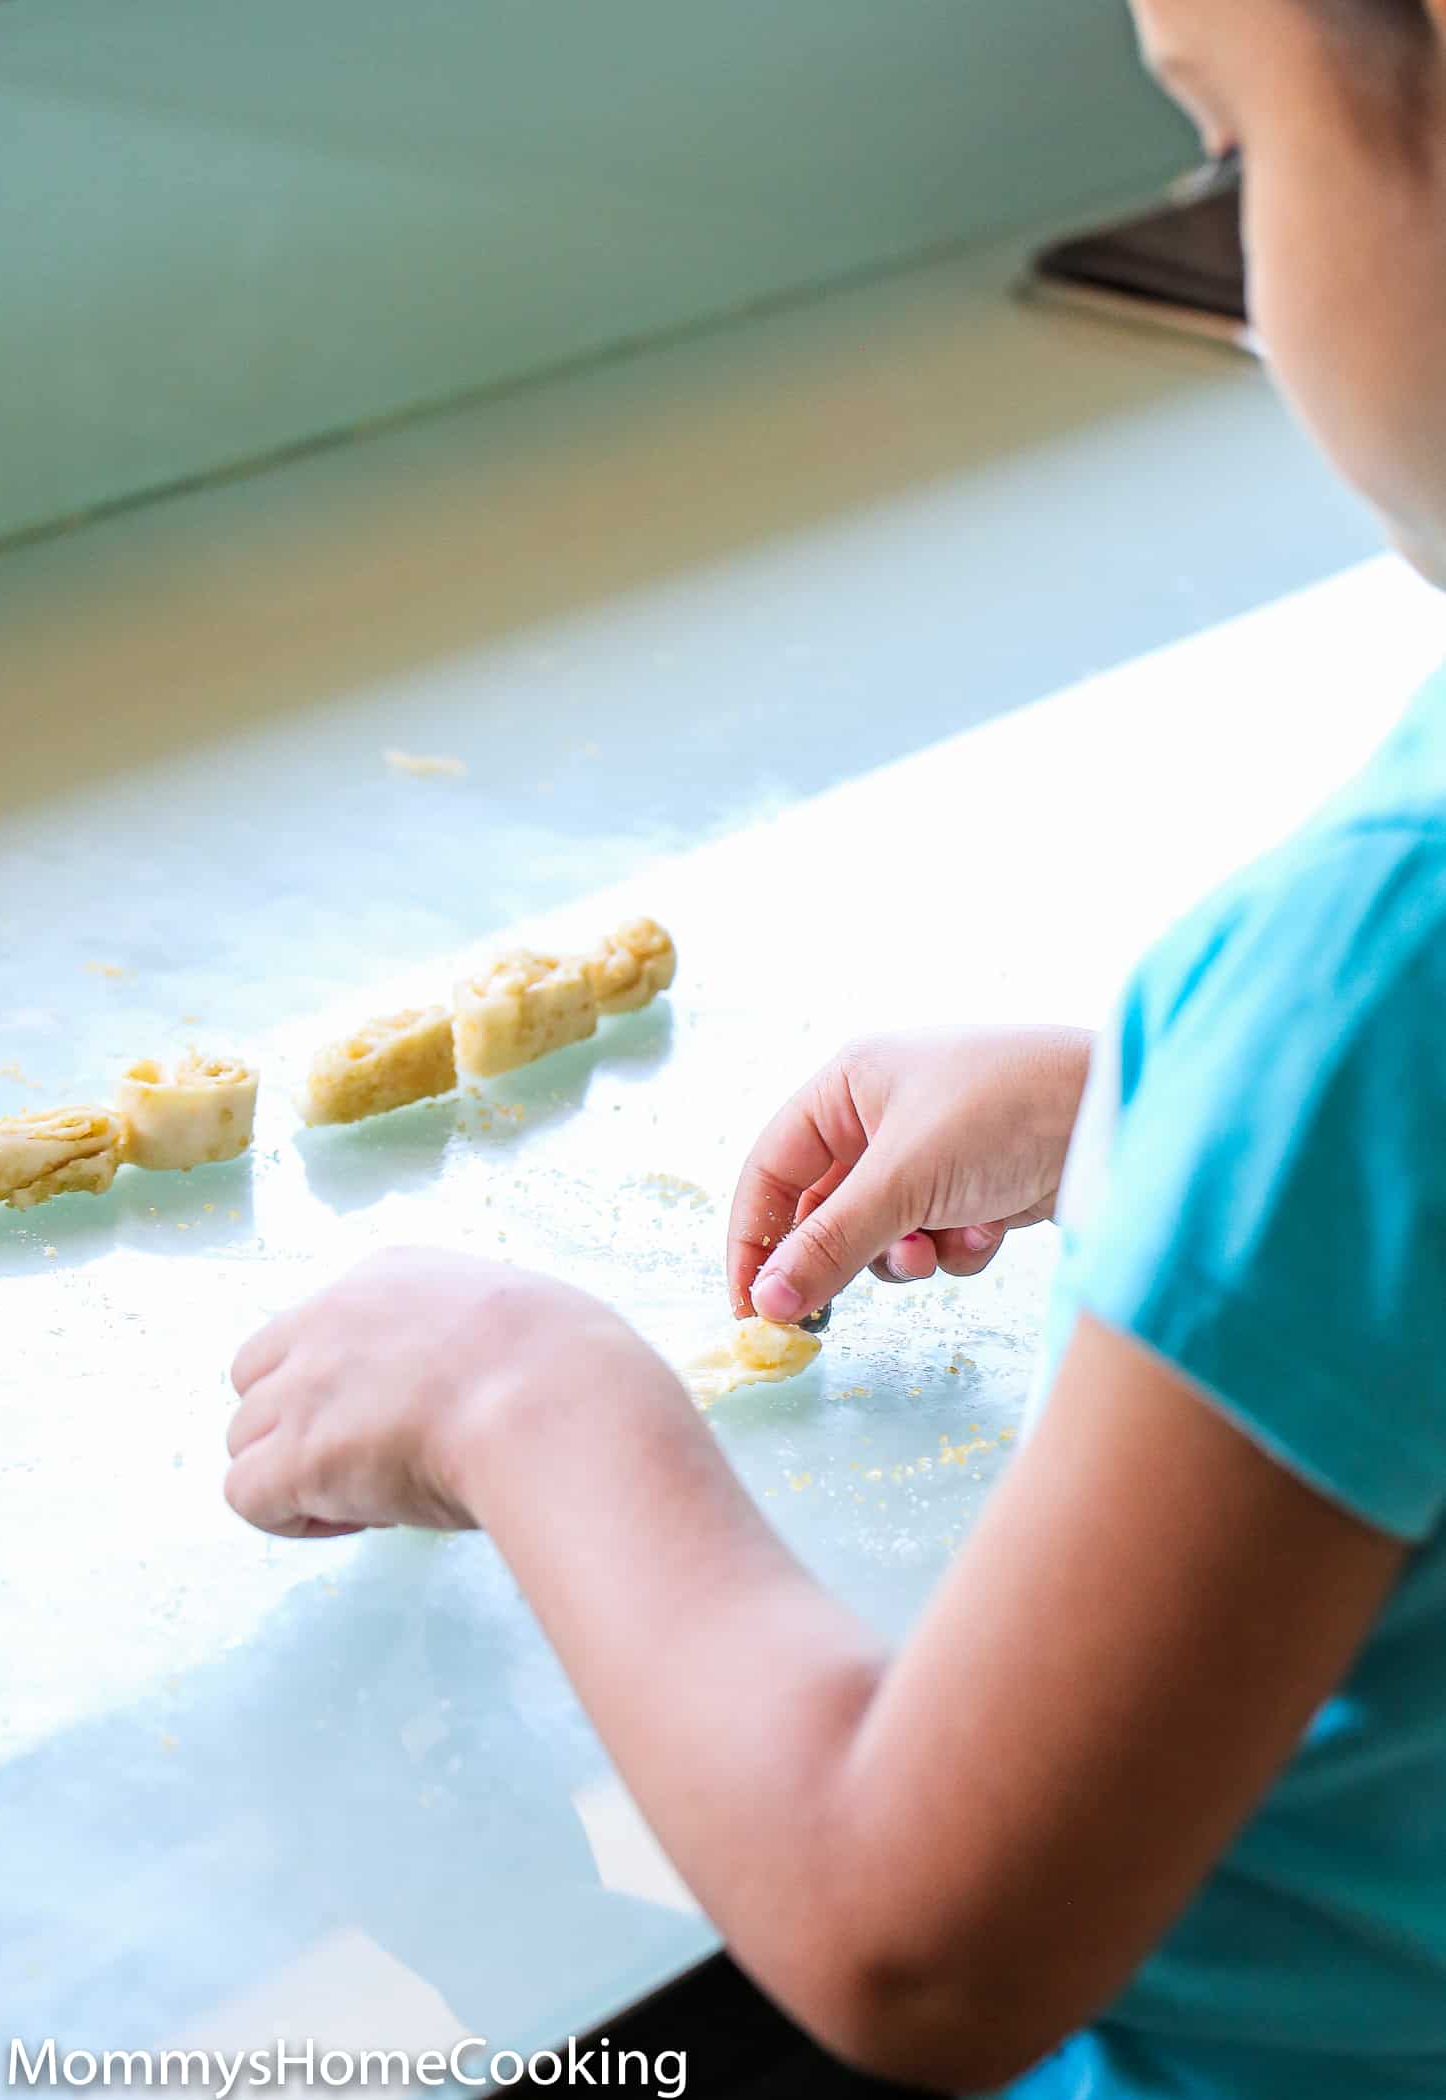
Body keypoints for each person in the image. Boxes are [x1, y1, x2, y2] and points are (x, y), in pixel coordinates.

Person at [223, 1, 1446, 2091]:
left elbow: (915, 1941)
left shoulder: (1371, 973)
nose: (1242, 292)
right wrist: (1154, 1107)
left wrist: (524, 1392)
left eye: (1234, 156)